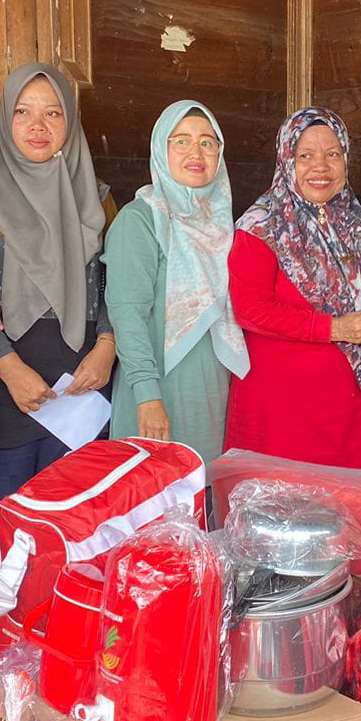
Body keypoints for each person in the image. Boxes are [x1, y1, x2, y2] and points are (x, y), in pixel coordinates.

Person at [0, 64, 115, 601]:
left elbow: (115, 284)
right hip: (6, 383)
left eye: (53, 112)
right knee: (1, 522)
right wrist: (9, 367)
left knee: (71, 523)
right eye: (23, 112)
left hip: (81, 381)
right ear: (6, 119)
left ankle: (59, 646)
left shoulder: (96, 194)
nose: (38, 125)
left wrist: (106, 349)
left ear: (69, 122)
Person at [226, 107, 361, 468]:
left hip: (350, 406)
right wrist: (335, 328)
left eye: (332, 154)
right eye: (305, 156)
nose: (320, 167)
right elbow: (249, 309)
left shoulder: (360, 226)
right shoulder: (262, 225)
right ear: (287, 159)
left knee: (347, 516)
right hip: (284, 410)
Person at [103, 101, 249, 464]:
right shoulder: (139, 220)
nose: (195, 152)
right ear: (160, 150)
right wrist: (147, 396)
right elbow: (127, 314)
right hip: (158, 391)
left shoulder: (222, 223)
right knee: (156, 504)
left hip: (213, 391)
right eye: (180, 141)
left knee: (204, 502)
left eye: (207, 142)